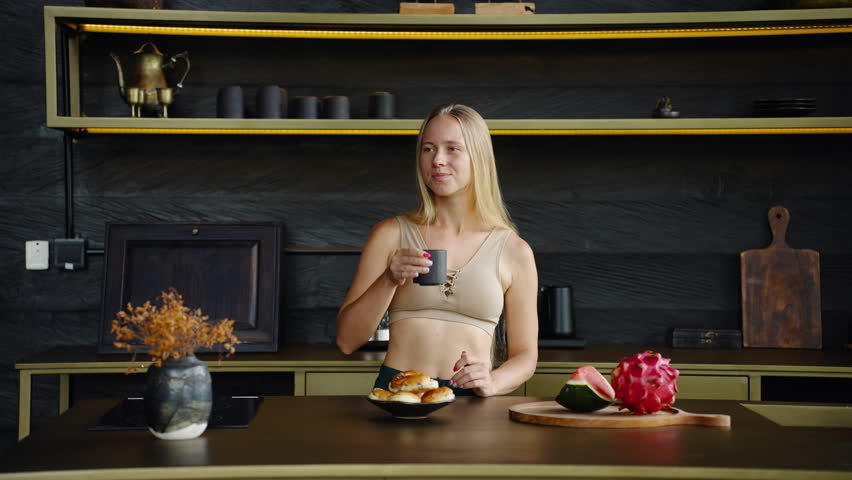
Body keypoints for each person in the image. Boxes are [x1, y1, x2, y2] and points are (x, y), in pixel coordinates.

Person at [336, 104, 538, 397]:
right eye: (428, 149)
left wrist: (493, 381)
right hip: (400, 395)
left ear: (479, 157)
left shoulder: (514, 251)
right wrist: (389, 279)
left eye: (452, 148)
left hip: (471, 401)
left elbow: (526, 356)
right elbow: (346, 341)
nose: (438, 160)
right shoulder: (390, 235)